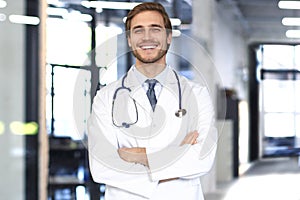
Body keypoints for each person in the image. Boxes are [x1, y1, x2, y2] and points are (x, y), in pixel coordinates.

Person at [87, 2, 217, 200]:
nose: (147, 37)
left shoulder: (196, 95)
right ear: (129, 40)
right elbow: (102, 167)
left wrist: (138, 155)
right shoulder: (106, 98)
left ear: (168, 37)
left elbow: (202, 158)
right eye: (138, 31)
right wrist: (175, 157)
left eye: (155, 29)